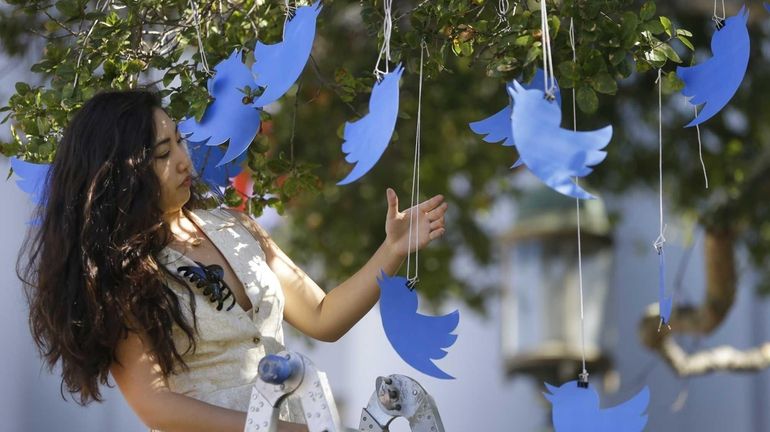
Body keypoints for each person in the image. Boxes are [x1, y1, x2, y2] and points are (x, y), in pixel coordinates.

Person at [17, 89, 447, 432]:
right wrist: (268, 428)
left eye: (179, 140)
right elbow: (157, 406)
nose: (184, 160)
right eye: (163, 154)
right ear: (122, 175)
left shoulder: (236, 229)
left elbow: (323, 316)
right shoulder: (121, 273)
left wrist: (391, 251)